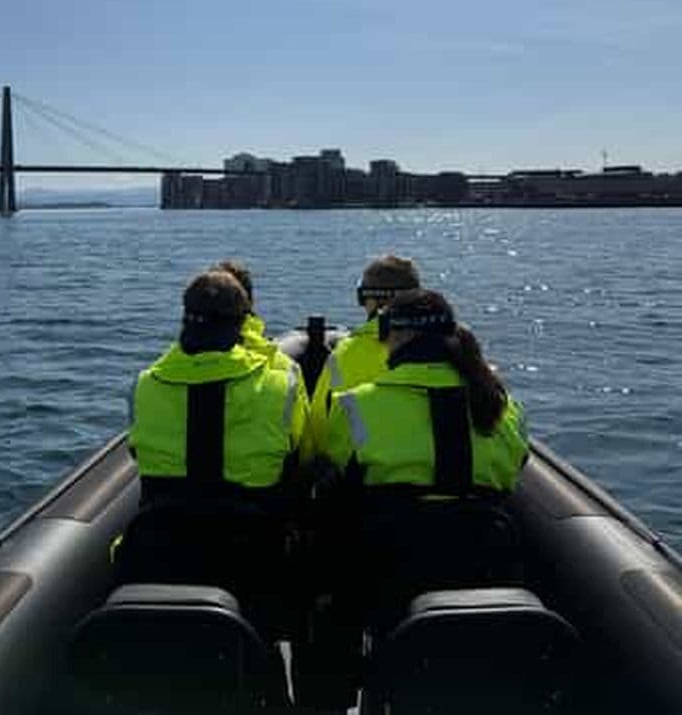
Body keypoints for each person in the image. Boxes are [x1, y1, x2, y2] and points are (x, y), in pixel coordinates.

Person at [119, 269, 310, 654]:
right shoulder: (282, 383)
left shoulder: (144, 385)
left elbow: (138, 455)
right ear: (244, 321)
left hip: (162, 556)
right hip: (253, 563)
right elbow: (302, 456)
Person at [323, 288, 529, 629]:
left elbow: (335, 463)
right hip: (483, 571)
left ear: (398, 334)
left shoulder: (355, 407)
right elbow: (514, 470)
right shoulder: (505, 409)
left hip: (388, 580)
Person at [310, 254, 420, 452]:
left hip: (363, 472)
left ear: (368, 298)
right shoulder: (453, 348)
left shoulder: (344, 356)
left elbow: (319, 425)